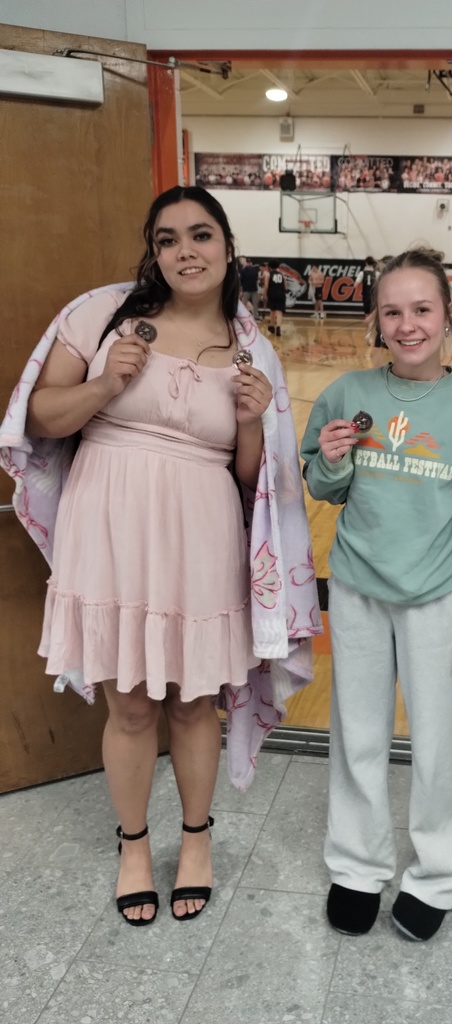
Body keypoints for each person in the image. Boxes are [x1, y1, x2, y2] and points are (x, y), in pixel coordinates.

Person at [10, 186, 314, 928]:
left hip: (201, 529)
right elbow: (40, 416)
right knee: (132, 703)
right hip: (108, 524)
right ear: (153, 251)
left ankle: (198, 841)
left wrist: (249, 420)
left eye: (201, 235)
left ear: (227, 247)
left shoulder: (252, 350)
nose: (186, 251)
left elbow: (252, 481)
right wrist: (106, 382)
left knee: (192, 702)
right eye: (168, 238)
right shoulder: (101, 315)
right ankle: (135, 848)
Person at [301, 248, 452, 943]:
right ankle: (357, 866)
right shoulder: (344, 393)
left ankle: (436, 876)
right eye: (393, 311)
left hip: (439, 599)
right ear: (375, 320)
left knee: (435, 747)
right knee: (356, 737)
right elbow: (323, 486)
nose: (407, 324)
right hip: (359, 591)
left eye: (422, 309)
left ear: (446, 317)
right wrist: (329, 461)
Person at [265, 259, 287, 337]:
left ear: (270, 267)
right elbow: (285, 286)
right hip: (281, 294)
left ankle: (272, 326)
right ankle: (278, 327)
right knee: (279, 311)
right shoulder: (282, 274)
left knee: (272, 310)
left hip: (272, 294)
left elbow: (266, 286)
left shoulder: (268, 274)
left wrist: (265, 295)